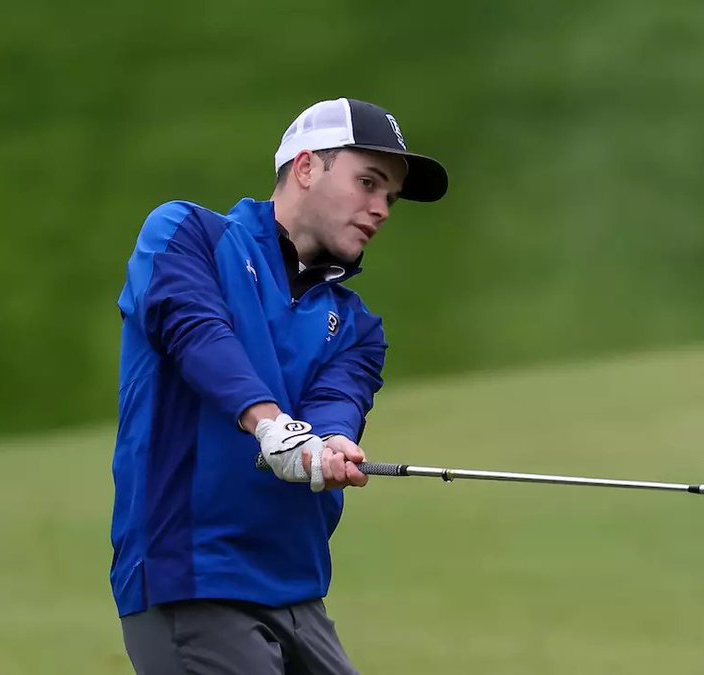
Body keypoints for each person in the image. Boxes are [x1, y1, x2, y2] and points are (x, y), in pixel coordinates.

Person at [109, 98, 448, 674]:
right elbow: (196, 332)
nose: (381, 208)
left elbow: (337, 402)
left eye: (389, 197)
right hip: (193, 579)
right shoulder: (187, 234)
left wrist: (332, 443)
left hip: (297, 592)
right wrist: (270, 423)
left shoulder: (358, 326)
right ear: (306, 167)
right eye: (368, 183)